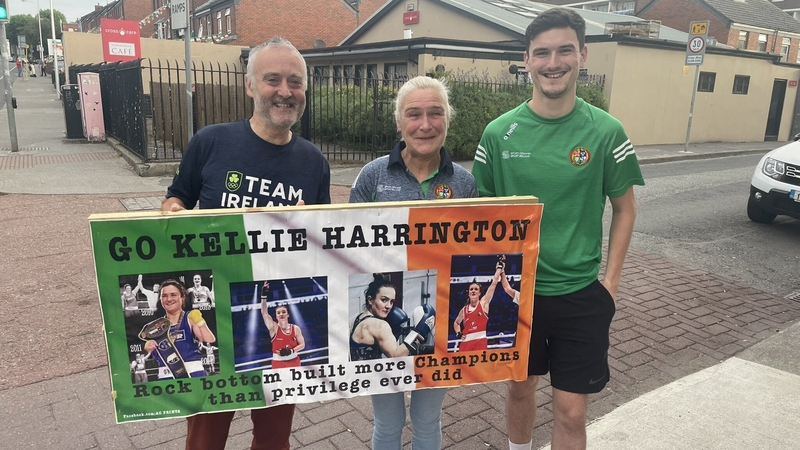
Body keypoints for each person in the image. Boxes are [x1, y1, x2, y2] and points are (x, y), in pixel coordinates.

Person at [471, 9, 644, 450]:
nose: (554, 62)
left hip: (581, 295)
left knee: (571, 412)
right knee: (519, 389)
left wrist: (611, 283)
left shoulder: (607, 131)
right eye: (542, 53)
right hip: (517, 293)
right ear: (526, 60)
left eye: (565, 50)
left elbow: (625, 209)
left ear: (582, 55)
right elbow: (478, 219)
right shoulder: (497, 135)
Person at [162, 35, 330, 450]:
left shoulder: (314, 161)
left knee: (274, 439)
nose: (285, 91)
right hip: (215, 316)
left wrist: (311, 226)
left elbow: (325, 241)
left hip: (276, 321)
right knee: (205, 437)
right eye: (273, 79)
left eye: (295, 82)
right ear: (250, 85)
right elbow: (176, 196)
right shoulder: (211, 141)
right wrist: (172, 214)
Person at [350, 75, 476, 450]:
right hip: (392, 347)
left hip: (443, 327)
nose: (425, 124)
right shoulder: (373, 176)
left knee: (426, 419)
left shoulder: (465, 183)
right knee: (388, 422)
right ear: (399, 122)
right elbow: (345, 248)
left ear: (447, 119)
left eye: (435, 113)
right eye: (414, 114)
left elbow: (474, 253)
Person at [141, 279, 216, 379]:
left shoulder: (189, 318)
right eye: (164, 296)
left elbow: (209, 339)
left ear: (182, 298)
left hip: (192, 374)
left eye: (173, 295)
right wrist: (148, 348)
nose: (168, 299)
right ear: (160, 299)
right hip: (165, 376)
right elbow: (152, 355)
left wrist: (201, 322)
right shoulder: (155, 326)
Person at [453, 264, 503, 352]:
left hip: (480, 342)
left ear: (480, 293)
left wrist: (499, 268)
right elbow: (456, 323)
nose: (473, 291)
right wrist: (458, 333)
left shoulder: (483, 303)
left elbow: (494, 283)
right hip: (465, 344)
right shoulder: (463, 310)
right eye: (471, 289)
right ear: (468, 293)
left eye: (476, 289)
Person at [260, 281, 305, 368]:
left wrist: (291, 351)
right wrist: (263, 296)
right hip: (278, 363)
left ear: (288, 314)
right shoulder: (273, 327)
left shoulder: (295, 328)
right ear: (276, 316)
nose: (281, 314)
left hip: (294, 361)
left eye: (283, 312)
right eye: (278, 313)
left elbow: (302, 344)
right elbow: (264, 313)